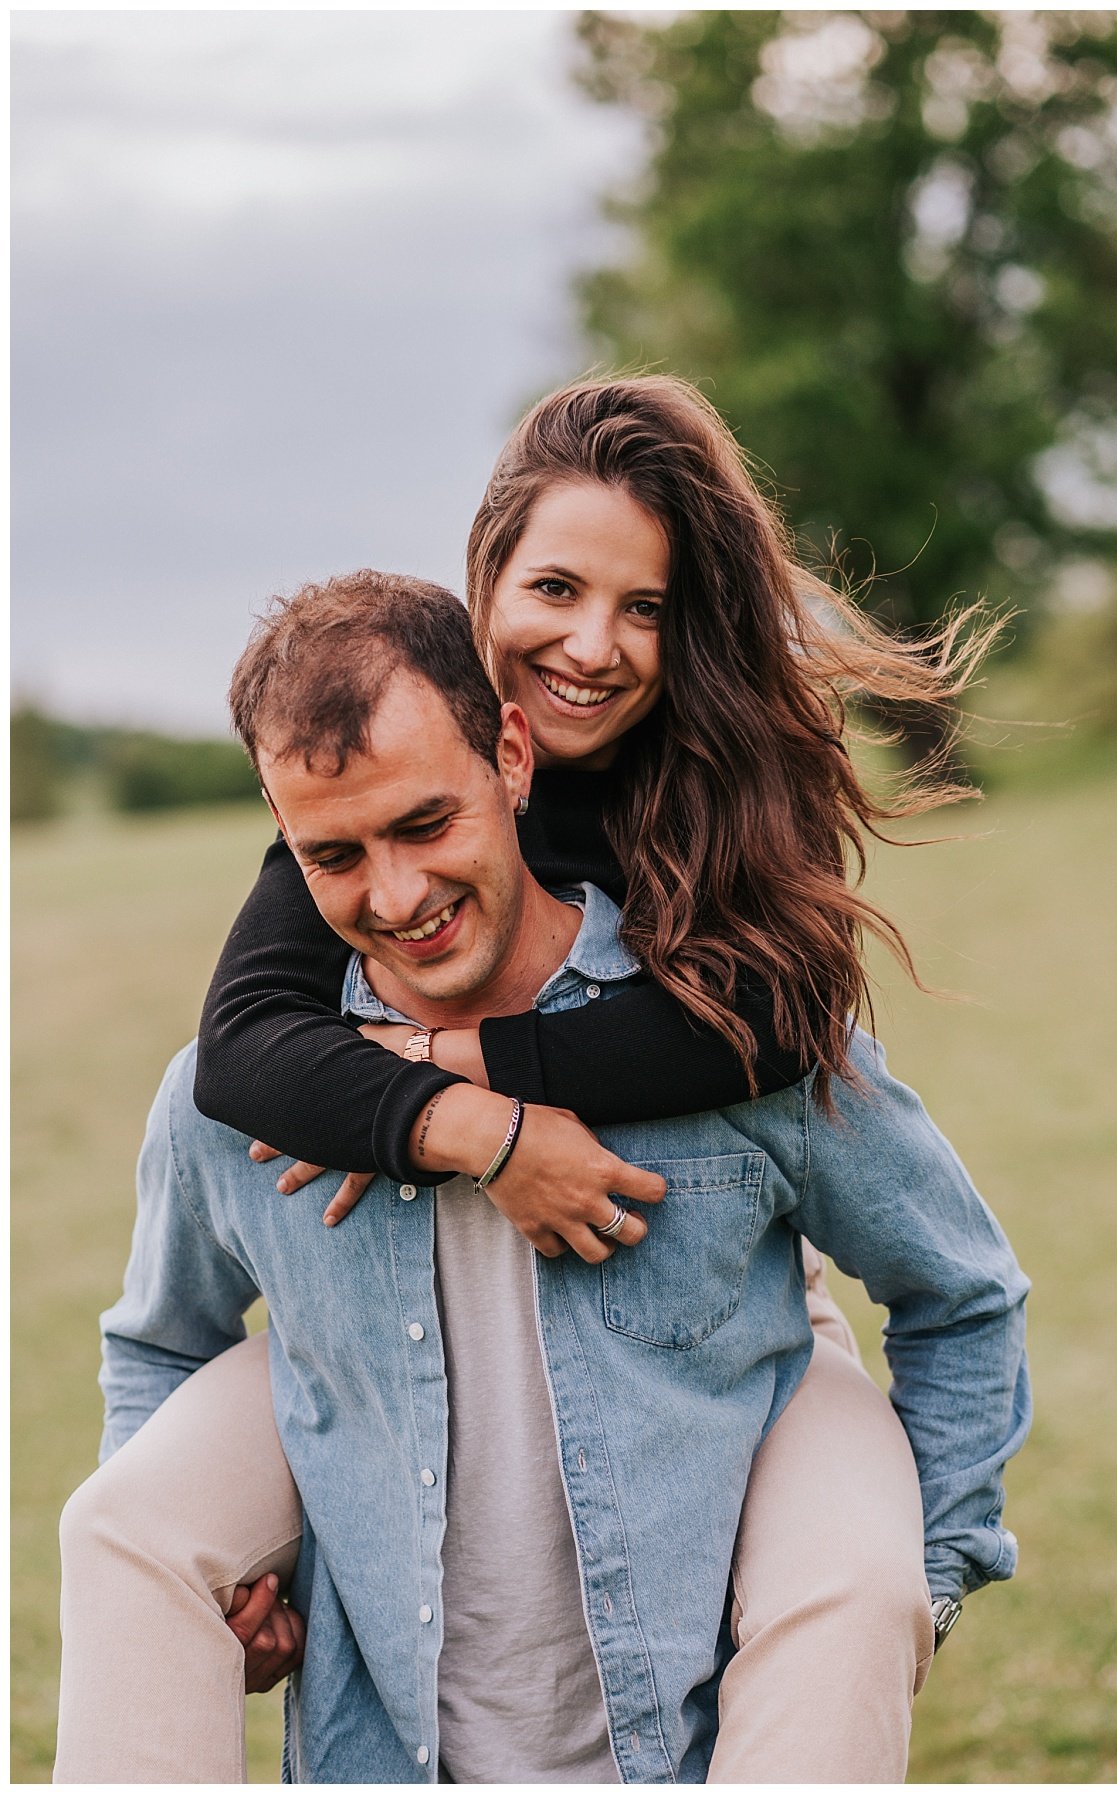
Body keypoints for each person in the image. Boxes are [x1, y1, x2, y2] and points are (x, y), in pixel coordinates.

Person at [57, 572, 1030, 1784]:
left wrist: (920, 1585)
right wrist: (229, 1596)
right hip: (387, 1754)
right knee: (113, 1529)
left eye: (426, 825)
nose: (397, 896)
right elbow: (162, 1347)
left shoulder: (727, 1032)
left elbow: (963, 1296)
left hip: (688, 1749)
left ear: (513, 756)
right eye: (333, 854)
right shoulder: (242, 1101)